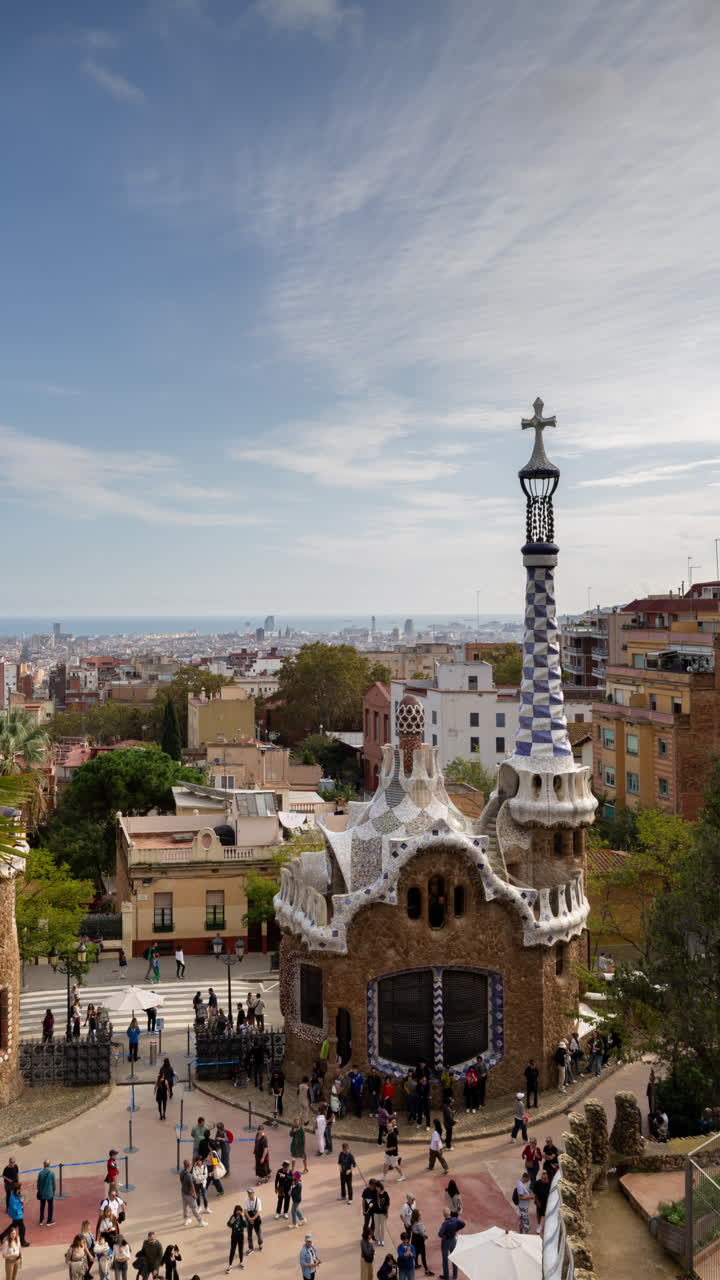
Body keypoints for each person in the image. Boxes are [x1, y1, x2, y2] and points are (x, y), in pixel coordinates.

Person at [437, 1207, 465, 1280]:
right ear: (449, 1213)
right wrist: (456, 1230)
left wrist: (444, 1236)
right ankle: (455, 1276)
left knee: (445, 1260)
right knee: (454, 1258)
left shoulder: (445, 1223)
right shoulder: (455, 1219)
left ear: (444, 1215)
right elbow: (463, 1224)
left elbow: (440, 1234)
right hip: (453, 1240)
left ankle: (446, 1277)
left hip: (446, 1242)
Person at [180, 1159, 208, 1228]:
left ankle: (186, 1219)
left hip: (183, 1192)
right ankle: (200, 1221)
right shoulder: (189, 1175)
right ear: (189, 1166)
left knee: (185, 1206)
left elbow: (181, 1180)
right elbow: (192, 1186)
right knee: (194, 1208)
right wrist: (194, 1194)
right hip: (189, 1194)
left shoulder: (182, 1172)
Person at [0, 1183, 27, 1247]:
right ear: (16, 1189)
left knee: (13, 1227)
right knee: (22, 1228)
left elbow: (20, 1198)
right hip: (17, 1215)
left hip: (18, 1214)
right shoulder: (12, 1197)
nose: (20, 1189)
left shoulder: (17, 1193)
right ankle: (22, 1242)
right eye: (19, 1188)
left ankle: (1, 1236)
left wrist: (21, 1200)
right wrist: (21, 1203)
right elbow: (14, 1207)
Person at [410, 1208, 433, 1277]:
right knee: (423, 1255)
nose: (421, 1215)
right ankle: (426, 1270)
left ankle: (416, 1264)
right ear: (417, 1216)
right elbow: (422, 1233)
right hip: (419, 1240)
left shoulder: (412, 1221)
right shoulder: (418, 1223)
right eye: (420, 1214)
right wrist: (426, 1236)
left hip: (414, 1239)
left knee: (416, 1252)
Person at [226, 1203, 247, 1271]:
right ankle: (230, 1265)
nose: (238, 1212)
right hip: (234, 1235)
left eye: (239, 1210)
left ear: (241, 1211)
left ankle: (241, 1262)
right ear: (235, 1211)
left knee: (240, 1250)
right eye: (237, 1210)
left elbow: (246, 1225)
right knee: (232, 1250)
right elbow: (228, 1224)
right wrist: (231, 1222)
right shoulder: (233, 1216)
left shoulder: (242, 1217)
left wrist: (243, 1218)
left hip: (241, 1235)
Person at [36, 1160, 55, 1225]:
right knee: (50, 1207)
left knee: (42, 1207)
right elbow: (53, 1184)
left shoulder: (40, 1173)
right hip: (49, 1193)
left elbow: (38, 1184)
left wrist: (39, 1191)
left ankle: (41, 1220)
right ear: (49, 1165)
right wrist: (53, 1192)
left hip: (42, 1193)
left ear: (43, 1165)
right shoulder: (52, 1173)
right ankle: (49, 1221)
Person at [244, 1188, 262, 1253]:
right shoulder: (246, 1200)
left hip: (256, 1218)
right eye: (248, 1193)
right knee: (249, 1235)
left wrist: (253, 1218)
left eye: (250, 1193)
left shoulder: (258, 1200)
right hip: (249, 1218)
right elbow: (245, 1211)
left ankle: (260, 1243)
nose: (248, 1194)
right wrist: (249, 1219)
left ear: (253, 1193)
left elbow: (258, 1212)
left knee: (258, 1233)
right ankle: (250, 1248)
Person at [534, 1170, 551, 1235]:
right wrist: (537, 1202)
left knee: (546, 1215)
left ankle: (544, 1227)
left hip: (547, 1203)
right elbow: (535, 1193)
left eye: (545, 1174)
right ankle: (539, 1225)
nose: (544, 1175)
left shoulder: (549, 1184)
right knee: (539, 1214)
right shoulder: (537, 1183)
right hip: (539, 1202)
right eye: (543, 1174)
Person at [374, 1182, 389, 1247]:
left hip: (383, 1213)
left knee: (383, 1227)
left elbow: (388, 1204)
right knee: (377, 1227)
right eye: (376, 1188)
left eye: (377, 1187)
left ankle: (382, 1240)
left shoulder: (385, 1194)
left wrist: (387, 1213)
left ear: (380, 1187)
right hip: (376, 1213)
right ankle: (378, 1239)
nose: (376, 1189)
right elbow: (373, 1202)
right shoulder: (375, 1194)